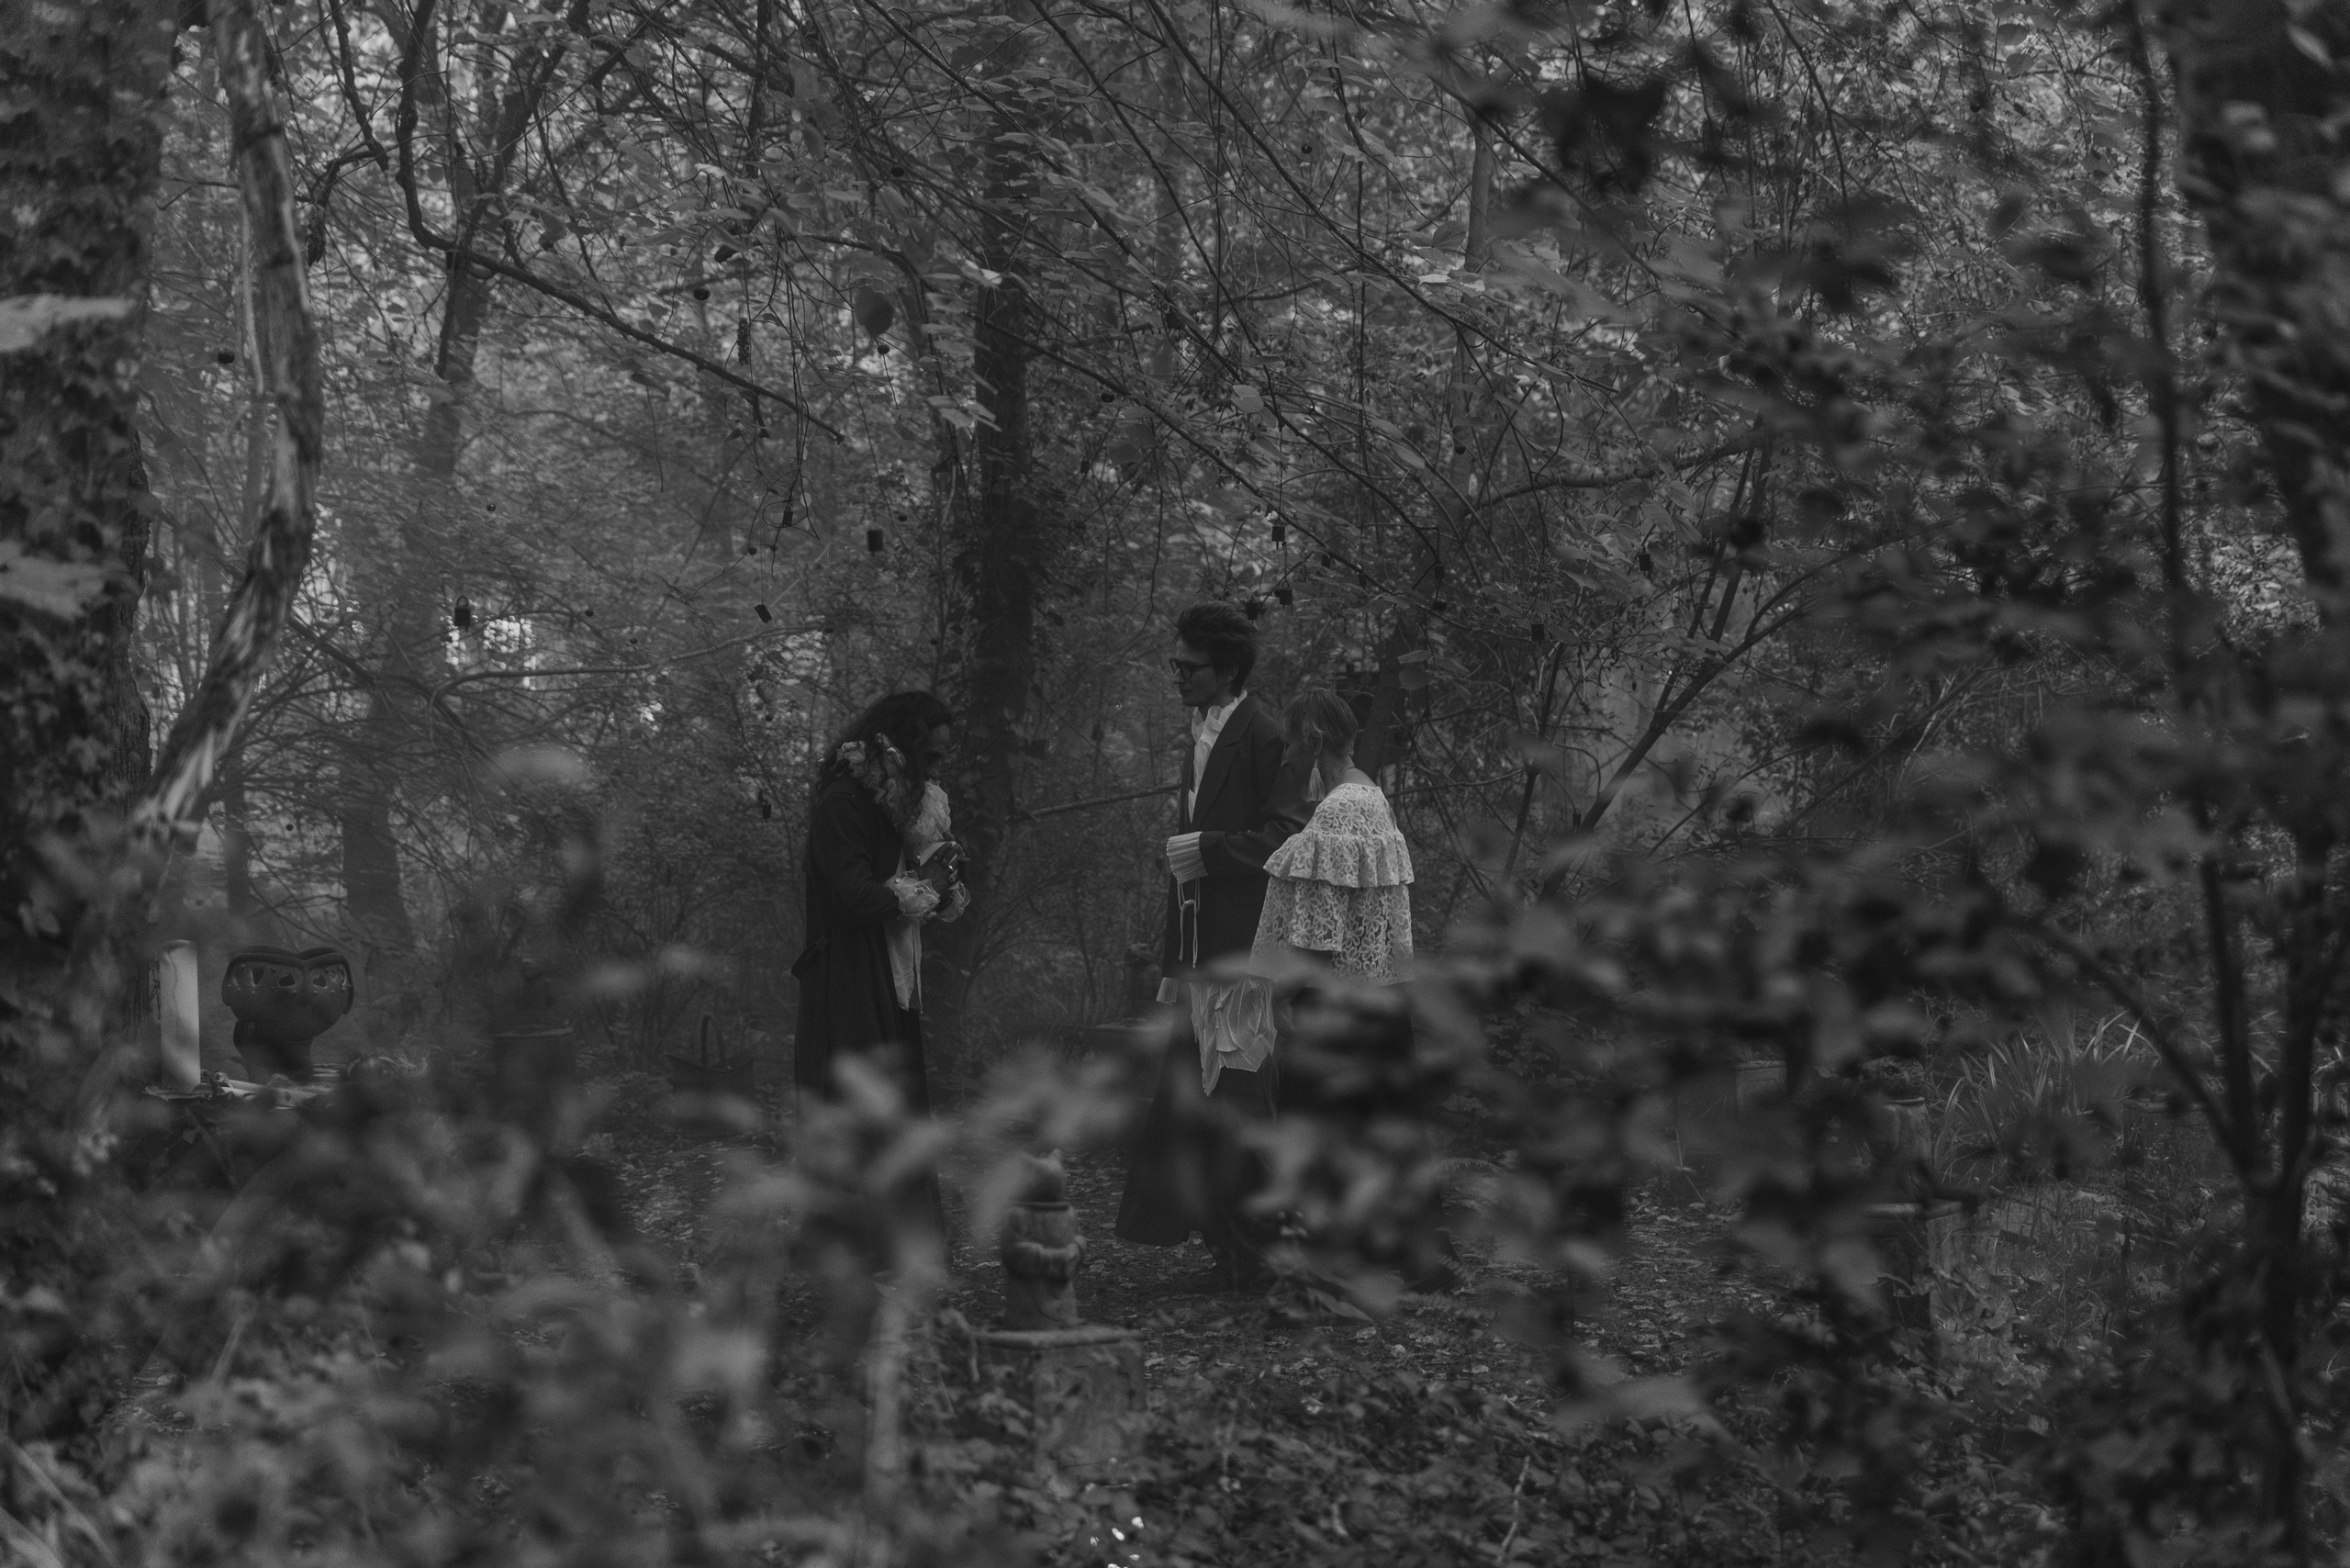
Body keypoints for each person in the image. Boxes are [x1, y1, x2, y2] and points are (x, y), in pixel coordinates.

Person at [1114, 603, 1309, 1288]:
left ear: (1226, 670)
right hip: (1198, 950)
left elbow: (1291, 835)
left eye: (1188, 667)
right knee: (1197, 1096)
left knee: (1243, 1093)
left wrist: (1210, 850)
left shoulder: (1264, 736)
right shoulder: (1200, 732)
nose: (1177, 677)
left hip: (1243, 949)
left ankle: (1261, 1253)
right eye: (1174, 665)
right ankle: (1227, 1245)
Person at [791, 690, 968, 1114]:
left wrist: (943, 883)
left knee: (895, 1120)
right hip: (849, 986)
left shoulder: (899, 809)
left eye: (943, 756)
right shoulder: (844, 804)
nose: (937, 768)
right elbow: (856, 897)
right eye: (930, 755)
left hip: (891, 983)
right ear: (900, 749)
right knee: (857, 1120)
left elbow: (917, 890)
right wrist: (925, 884)